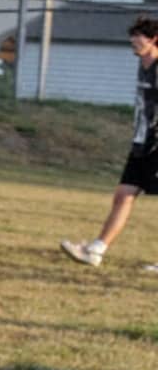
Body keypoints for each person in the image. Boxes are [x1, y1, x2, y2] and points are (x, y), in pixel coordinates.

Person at [61, 15, 158, 269]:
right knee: (123, 195)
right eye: (132, 38)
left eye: (138, 38)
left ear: (153, 39)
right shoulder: (143, 66)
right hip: (142, 143)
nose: (133, 43)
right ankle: (96, 250)